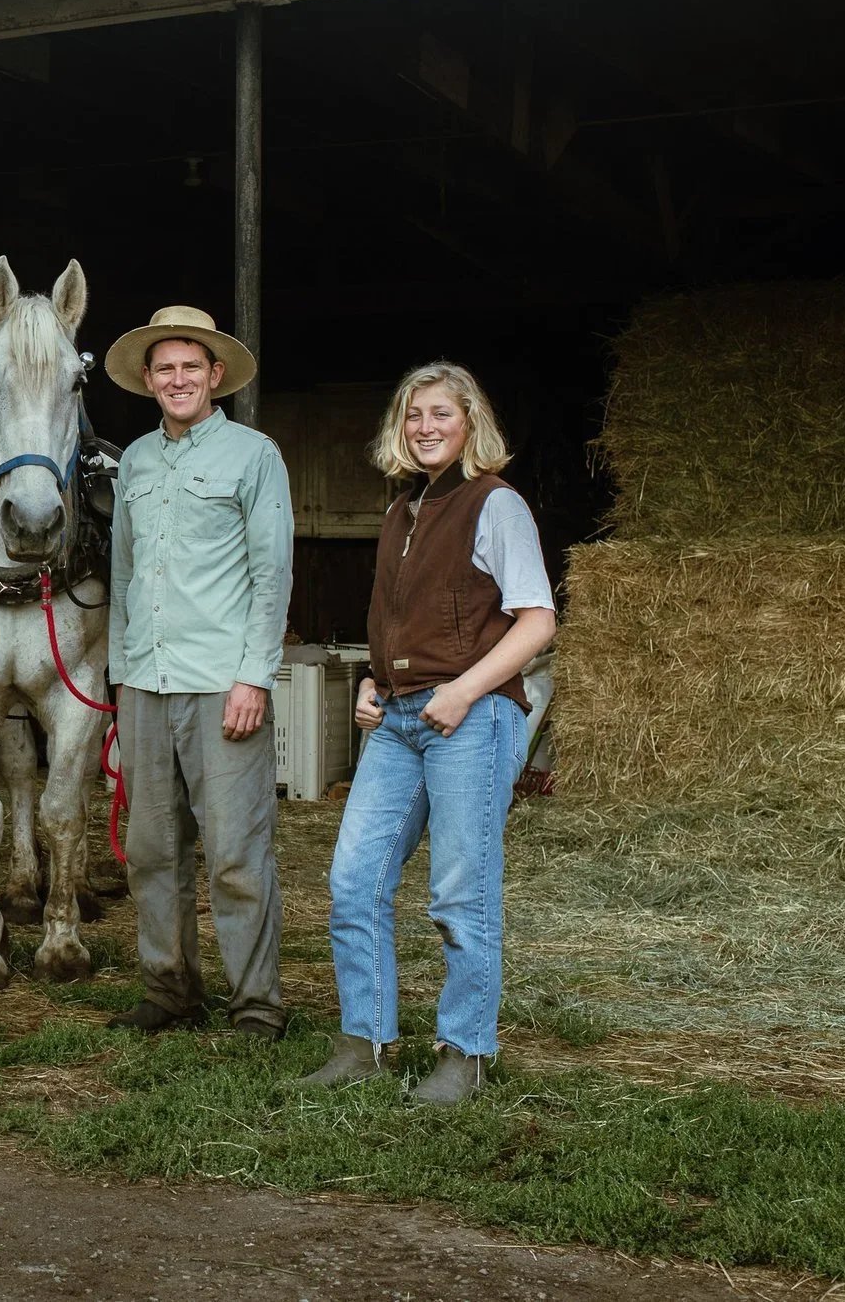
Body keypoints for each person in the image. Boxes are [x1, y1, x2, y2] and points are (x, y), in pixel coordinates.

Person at [298, 363, 556, 1105]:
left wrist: (465, 688)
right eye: (414, 416)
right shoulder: (401, 512)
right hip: (401, 720)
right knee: (353, 878)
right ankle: (365, 1040)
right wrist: (376, 681)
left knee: (460, 890)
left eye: (441, 413)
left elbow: (537, 621)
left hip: (471, 717)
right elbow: (401, 625)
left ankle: (465, 1053)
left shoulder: (495, 504)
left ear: (471, 421)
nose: (426, 427)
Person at [101, 306, 294, 1040]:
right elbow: (123, 574)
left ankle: (256, 1004)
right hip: (146, 684)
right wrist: (121, 678)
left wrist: (255, 675)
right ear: (148, 380)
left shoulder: (254, 455)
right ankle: (170, 988)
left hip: (222, 684)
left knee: (236, 853)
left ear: (216, 375)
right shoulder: (138, 463)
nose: (178, 379)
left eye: (192, 366)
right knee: (152, 849)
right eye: (165, 368)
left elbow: (270, 575)